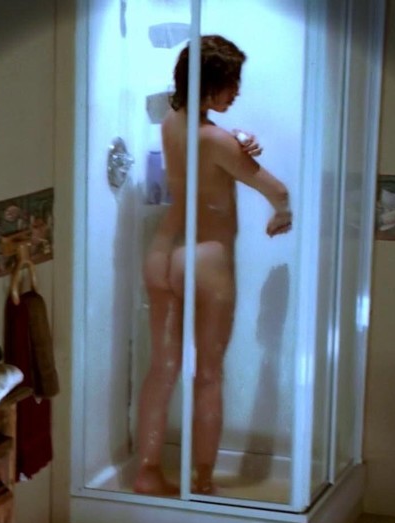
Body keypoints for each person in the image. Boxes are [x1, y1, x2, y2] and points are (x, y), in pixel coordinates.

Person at [133, 35, 293, 495]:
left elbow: (202, 142)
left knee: (162, 368)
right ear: (208, 83)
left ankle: (147, 471)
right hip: (206, 256)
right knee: (207, 373)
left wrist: (236, 135)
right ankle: (202, 480)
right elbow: (277, 191)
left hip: (162, 250)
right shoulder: (217, 140)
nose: (236, 91)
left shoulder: (172, 123)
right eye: (230, 82)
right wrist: (282, 213)